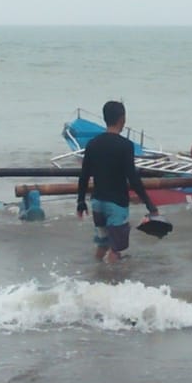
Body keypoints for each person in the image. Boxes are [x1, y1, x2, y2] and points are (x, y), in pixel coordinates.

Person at [76, 101, 159, 262]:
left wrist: (80, 201)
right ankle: (112, 283)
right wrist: (149, 204)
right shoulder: (125, 146)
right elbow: (132, 178)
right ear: (122, 119)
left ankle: (96, 274)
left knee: (102, 244)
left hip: (97, 203)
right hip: (116, 204)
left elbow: (84, 175)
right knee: (116, 248)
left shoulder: (93, 144)